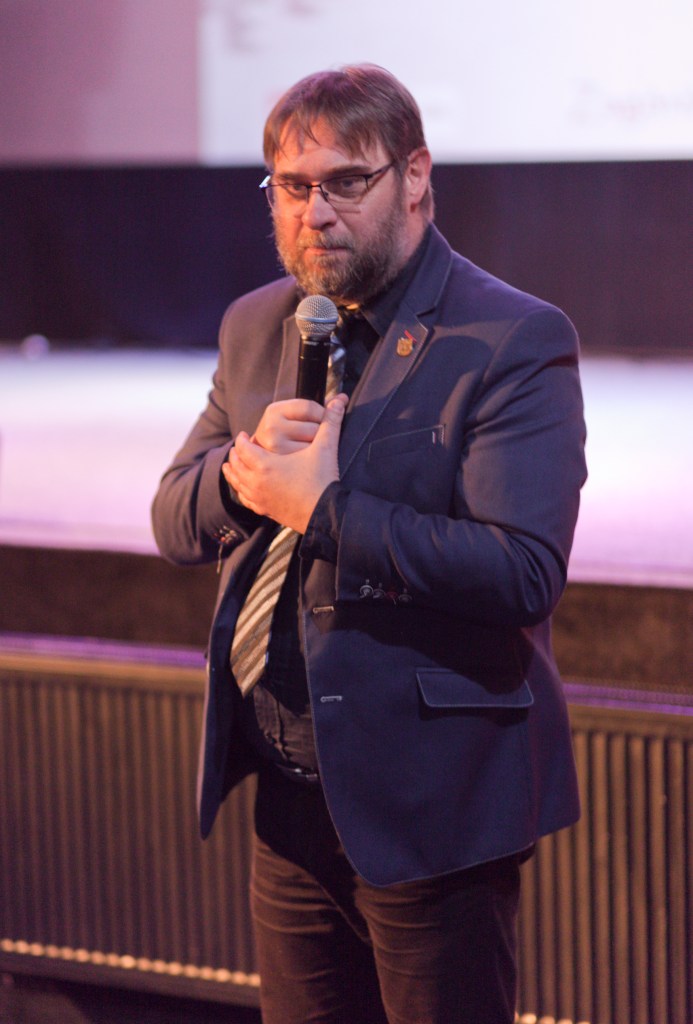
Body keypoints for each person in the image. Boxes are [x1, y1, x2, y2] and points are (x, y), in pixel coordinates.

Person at [151, 64, 587, 1024]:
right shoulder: (257, 323)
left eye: (346, 181)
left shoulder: (511, 335)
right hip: (288, 798)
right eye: (292, 186)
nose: (315, 213)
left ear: (414, 177)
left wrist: (326, 510)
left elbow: (521, 572)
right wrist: (240, 478)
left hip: (431, 806)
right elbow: (173, 519)